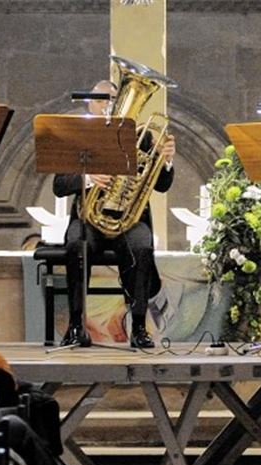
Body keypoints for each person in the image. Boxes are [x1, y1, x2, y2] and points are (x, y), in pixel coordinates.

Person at [52, 80, 176, 348]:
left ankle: (140, 327)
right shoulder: (77, 136)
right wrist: (87, 178)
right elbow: (59, 185)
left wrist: (165, 160)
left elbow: (162, 185)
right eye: (101, 100)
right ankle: (75, 325)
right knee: (76, 243)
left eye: (112, 100)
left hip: (130, 220)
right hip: (89, 218)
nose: (107, 106)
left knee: (142, 245)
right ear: (90, 104)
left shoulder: (142, 137)